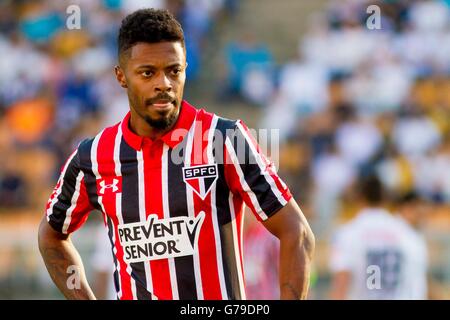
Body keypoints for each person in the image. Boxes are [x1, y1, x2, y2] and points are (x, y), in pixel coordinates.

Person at [38, 8, 315, 300]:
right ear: (121, 77)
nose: (164, 84)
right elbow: (51, 236)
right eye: (148, 72)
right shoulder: (92, 157)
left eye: (174, 71)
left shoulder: (224, 139)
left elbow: (297, 233)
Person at [329, 176, 428, 300]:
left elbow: (341, 284)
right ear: (386, 199)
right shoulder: (409, 235)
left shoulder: (348, 233)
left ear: (359, 198)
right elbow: (417, 285)